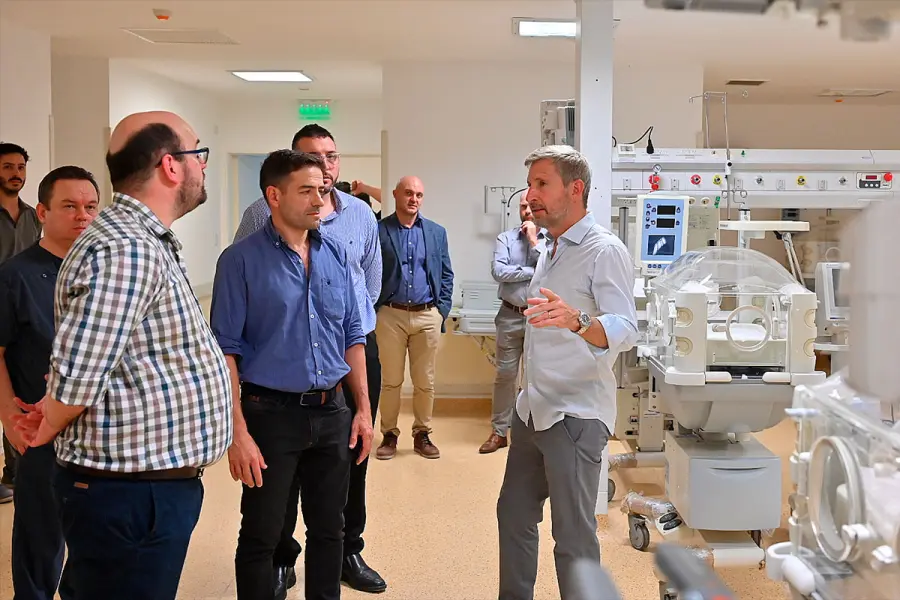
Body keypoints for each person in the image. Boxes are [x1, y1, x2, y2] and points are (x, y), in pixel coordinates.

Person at [12, 111, 233, 600]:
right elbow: (80, 373)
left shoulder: (138, 240)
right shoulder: (127, 248)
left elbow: (103, 352)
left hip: (139, 489)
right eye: (199, 154)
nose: (203, 166)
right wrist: (50, 420)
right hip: (130, 495)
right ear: (171, 166)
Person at [211, 149, 374, 600]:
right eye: (306, 191)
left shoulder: (336, 254)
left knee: (330, 530)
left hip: (332, 413)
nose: (320, 200)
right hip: (270, 416)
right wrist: (237, 433)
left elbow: (353, 334)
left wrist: (362, 411)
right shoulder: (240, 261)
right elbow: (226, 350)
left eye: (322, 190)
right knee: (262, 534)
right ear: (274, 195)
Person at [496, 145, 638, 600]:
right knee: (513, 514)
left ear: (575, 189)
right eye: (530, 184)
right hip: (533, 408)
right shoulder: (550, 248)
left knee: (573, 537)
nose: (530, 194)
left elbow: (626, 327)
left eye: (542, 184)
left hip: (575, 415)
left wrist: (579, 320)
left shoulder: (604, 250)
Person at [0, 166, 99, 600]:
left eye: (91, 207)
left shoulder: (103, 273)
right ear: (42, 212)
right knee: (40, 542)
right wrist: (8, 417)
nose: (82, 216)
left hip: (98, 433)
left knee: (92, 543)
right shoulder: (16, 275)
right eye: (70, 206)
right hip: (40, 433)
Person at [374, 176, 454, 460]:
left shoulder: (436, 232)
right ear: (395, 194)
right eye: (408, 193)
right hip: (390, 315)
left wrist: (441, 311)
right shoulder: (379, 230)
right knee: (391, 381)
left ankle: (422, 433)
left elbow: (446, 273)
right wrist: (374, 308)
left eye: (419, 195)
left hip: (426, 315)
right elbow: (368, 271)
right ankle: (389, 434)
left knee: (425, 382)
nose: (414, 199)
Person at [480, 194, 545, 454]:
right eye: (523, 206)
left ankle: (534, 433)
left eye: (531, 205)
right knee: (505, 375)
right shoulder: (505, 239)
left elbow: (551, 270)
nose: (527, 210)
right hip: (509, 315)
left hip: (539, 317)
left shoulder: (552, 240)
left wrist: (534, 242)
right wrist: (532, 271)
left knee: (537, 376)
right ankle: (499, 432)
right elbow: (499, 272)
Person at [0, 141, 40, 503]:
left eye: (20, 167)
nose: (16, 174)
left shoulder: (31, 215)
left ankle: (14, 472)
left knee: (17, 392)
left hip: (22, 315)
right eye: (8, 167)